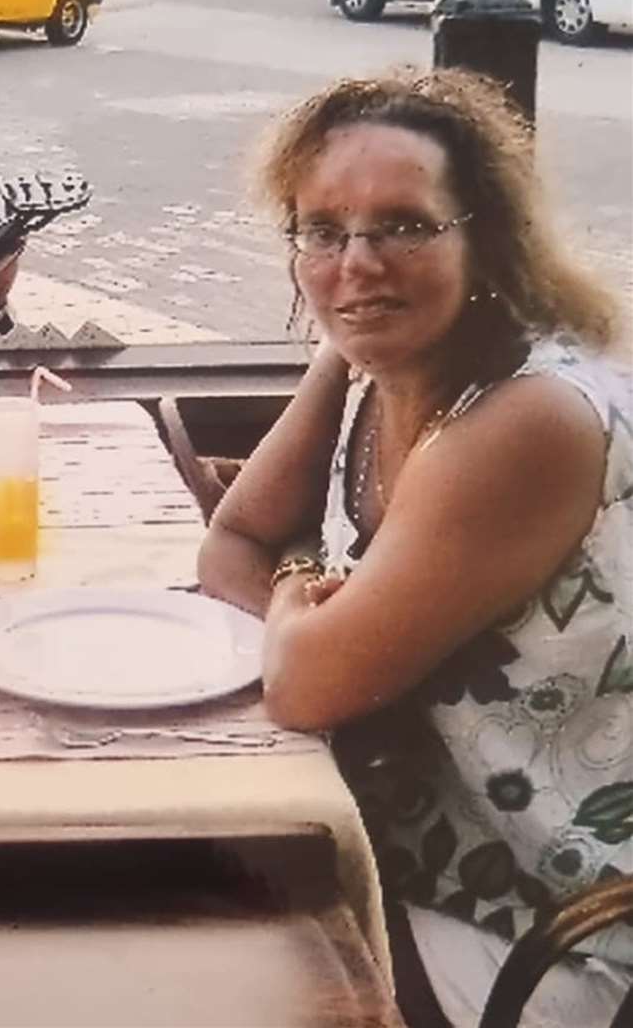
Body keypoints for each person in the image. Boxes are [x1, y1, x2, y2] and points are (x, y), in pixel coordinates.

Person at [196, 69, 631, 1026]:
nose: (357, 264)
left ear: (483, 237)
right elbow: (233, 538)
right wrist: (305, 606)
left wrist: (306, 615)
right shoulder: (366, 357)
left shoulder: (528, 420)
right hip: (418, 837)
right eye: (323, 229)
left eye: (404, 224)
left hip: (554, 924)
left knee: (192, 951)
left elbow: (305, 683)